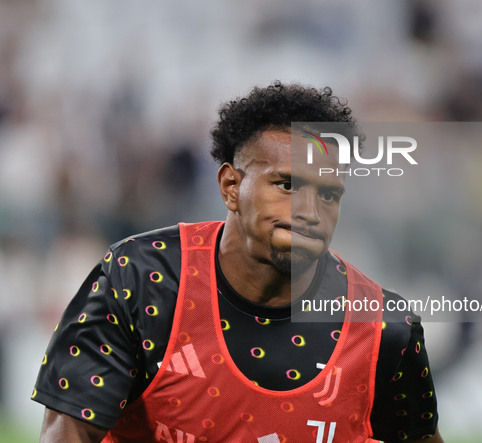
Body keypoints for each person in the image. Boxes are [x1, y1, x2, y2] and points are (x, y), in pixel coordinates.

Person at [32, 82, 443, 442]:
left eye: (329, 195)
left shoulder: (384, 328)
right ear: (231, 186)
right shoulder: (141, 279)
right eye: (286, 185)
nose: (310, 211)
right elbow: (69, 431)